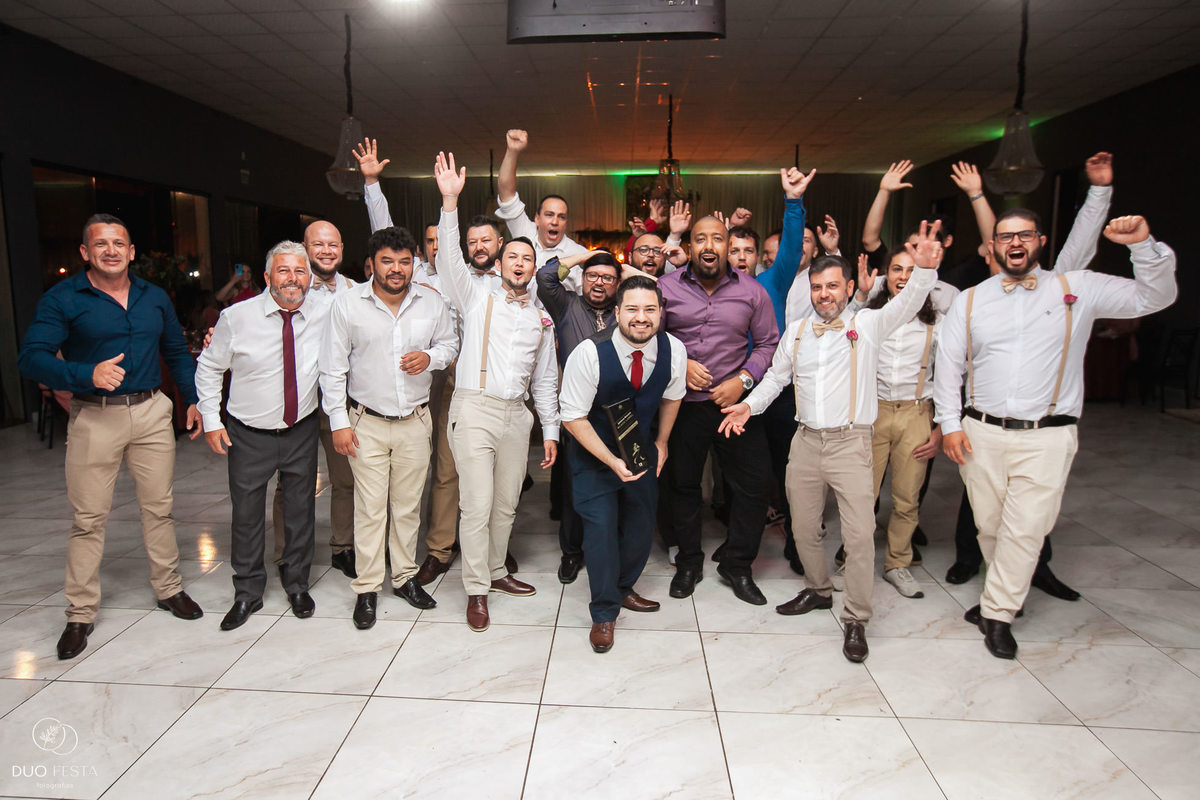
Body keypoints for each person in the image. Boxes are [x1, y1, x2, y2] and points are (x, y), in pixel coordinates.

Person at [936, 211, 1176, 660]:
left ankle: (999, 614)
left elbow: (1155, 296)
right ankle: (1002, 595)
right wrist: (950, 424)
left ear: (1040, 241)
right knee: (990, 526)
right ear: (993, 246)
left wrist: (1142, 246)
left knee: (1027, 528)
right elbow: (947, 366)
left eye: (1024, 234)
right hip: (980, 433)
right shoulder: (970, 301)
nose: (1015, 242)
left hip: (1046, 435)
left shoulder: (1076, 287)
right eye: (1005, 236)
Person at [719, 223, 943, 663]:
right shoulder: (797, 331)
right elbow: (776, 378)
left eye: (833, 286)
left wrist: (924, 272)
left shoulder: (869, 323)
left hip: (851, 443)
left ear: (848, 288)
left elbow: (909, 303)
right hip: (804, 441)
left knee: (859, 536)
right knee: (803, 528)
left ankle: (856, 617)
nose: (824, 294)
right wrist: (749, 406)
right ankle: (819, 590)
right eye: (818, 287)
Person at [18, 213, 204, 660]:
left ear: (131, 251)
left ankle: (169, 589)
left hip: (152, 411)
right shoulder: (63, 298)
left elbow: (176, 351)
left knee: (159, 508)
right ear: (85, 252)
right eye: (100, 244)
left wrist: (193, 398)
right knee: (89, 518)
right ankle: (80, 613)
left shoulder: (153, 297)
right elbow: (31, 358)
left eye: (119, 243)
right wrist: (86, 373)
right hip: (95, 417)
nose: (111, 250)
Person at [354, 138, 517, 584]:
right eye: (471, 240)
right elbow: (385, 236)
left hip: (495, 388)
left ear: (499, 244)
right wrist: (373, 185)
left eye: (486, 240)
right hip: (441, 380)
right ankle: (440, 548)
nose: (478, 246)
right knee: (445, 469)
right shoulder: (434, 276)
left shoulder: (511, 282)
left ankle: (493, 549)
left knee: (497, 474)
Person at [435, 151, 560, 632]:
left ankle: (494, 570)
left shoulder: (541, 318)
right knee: (478, 504)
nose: (520, 264)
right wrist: (450, 203)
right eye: (514, 257)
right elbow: (449, 260)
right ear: (501, 259)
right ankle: (476, 589)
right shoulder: (476, 296)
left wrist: (550, 430)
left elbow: (545, 380)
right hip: (474, 409)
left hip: (517, 416)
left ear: (533, 267)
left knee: (507, 504)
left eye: (529, 259)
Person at [321, 226, 459, 629]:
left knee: (407, 505)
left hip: (415, 420)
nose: (396, 269)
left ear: (414, 262)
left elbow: (450, 344)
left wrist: (430, 358)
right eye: (387, 261)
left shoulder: (431, 302)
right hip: (365, 421)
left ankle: (403, 578)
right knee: (369, 508)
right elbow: (332, 368)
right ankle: (367, 587)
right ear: (372, 264)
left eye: (404, 261)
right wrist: (339, 422)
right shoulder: (348, 304)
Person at [195, 241, 330, 630]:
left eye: (300, 271)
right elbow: (209, 367)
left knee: (301, 511)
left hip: (301, 428)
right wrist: (211, 420)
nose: (292, 279)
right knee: (247, 515)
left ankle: (297, 585)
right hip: (248, 433)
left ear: (310, 279)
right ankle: (248, 592)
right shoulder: (236, 318)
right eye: (284, 271)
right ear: (268, 276)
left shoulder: (325, 310)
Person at [560, 275, 687, 652]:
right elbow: (573, 417)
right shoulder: (588, 353)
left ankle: (622, 586)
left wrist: (662, 442)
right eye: (632, 309)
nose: (641, 317)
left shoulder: (674, 349)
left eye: (650, 309)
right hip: (593, 455)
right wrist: (612, 461)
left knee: (640, 527)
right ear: (617, 313)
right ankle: (604, 613)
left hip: (641, 450)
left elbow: (672, 396)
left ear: (661, 313)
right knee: (600, 531)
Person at [658, 215, 779, 605]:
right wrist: (680, 362)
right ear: (690, 247)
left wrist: (743, 379)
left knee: (754, 486)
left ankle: (737, 564)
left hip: (734, 408)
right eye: (700, 239)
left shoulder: (753, 292)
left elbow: (768, 343)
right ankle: (689, 562)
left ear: (728, 245)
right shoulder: (665, 288)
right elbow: (649, 336)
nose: (709, 246)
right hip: (683, 407)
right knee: (682, 486)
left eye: (717, 239)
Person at [265, 220, 359, 581]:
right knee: (291, 483)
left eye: (333, 245)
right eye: (318, 244)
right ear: (304, 248)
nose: (326, 251)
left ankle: (343, 547)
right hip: (299, 403)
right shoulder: (286, 290)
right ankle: (286, 554)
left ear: (342, 249)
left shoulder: (356, 292)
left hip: (342, 404)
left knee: (346, 480)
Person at [864, 245, 956, 598]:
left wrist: (942, 426)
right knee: (862, 495)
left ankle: (897, 563)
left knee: (907, 497)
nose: (903, 276)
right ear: (886, 276)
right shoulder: (870, 318)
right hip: (873, 412)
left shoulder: (938, 323)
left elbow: (950, 378)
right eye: (897, 269)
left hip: (917, 414)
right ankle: (854, 559)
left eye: (911, 270)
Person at [537, 250, 621, 584]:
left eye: (608, 278)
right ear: (582, 279)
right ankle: (571, 553)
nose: (599, 282)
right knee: (575, 486)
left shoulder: (625, 309)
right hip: (576, 414)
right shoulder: (566, 304)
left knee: (616, 481)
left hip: (617, 411)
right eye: (593, 276)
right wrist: (591, 255)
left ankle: (609, 547)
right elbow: (545, 276)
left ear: (618, 284)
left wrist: (620, 268)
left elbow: (658, 292)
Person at [496, 129, 589, 271]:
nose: (555, 222)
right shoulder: (525, 232)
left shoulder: (579, 255)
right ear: (537, 218)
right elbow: (506, 194)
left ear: (566, 223)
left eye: (561, 217)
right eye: (549, 215)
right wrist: (512, 151)